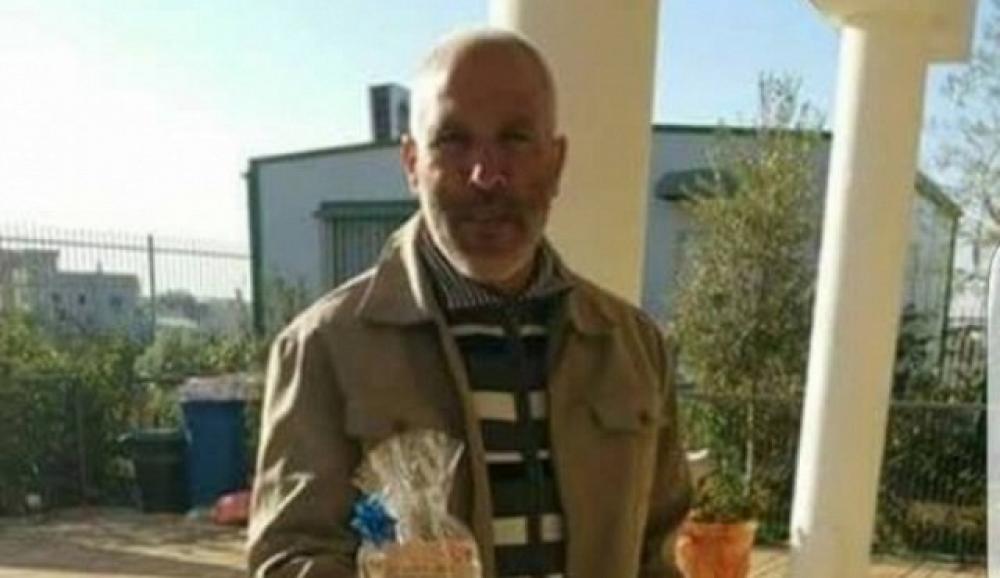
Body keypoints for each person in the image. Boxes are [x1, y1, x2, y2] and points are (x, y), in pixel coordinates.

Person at [248, 27, 691, 578]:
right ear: (412, 163)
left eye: (516, 138)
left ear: (556, 163)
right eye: (453, 140)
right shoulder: (324, 348)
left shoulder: (635, 349)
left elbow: (656, 555)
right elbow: (289, 558)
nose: (486, 174)